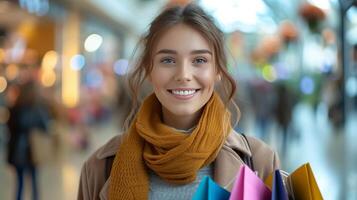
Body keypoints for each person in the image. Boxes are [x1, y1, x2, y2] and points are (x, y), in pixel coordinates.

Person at [78, 3, 280, 200]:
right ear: (149, 69)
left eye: (199, 60)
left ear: (218, 70)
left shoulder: (259, 162)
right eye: (168, 60)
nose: (183, 75)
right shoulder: (101, 167)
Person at [6, 81, 49, 200]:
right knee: (34, 182)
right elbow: (45, 127)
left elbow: (10, 129)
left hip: (17, 150)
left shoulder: (15, 108)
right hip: (32, 149)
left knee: (19, 183)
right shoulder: (37, 108)